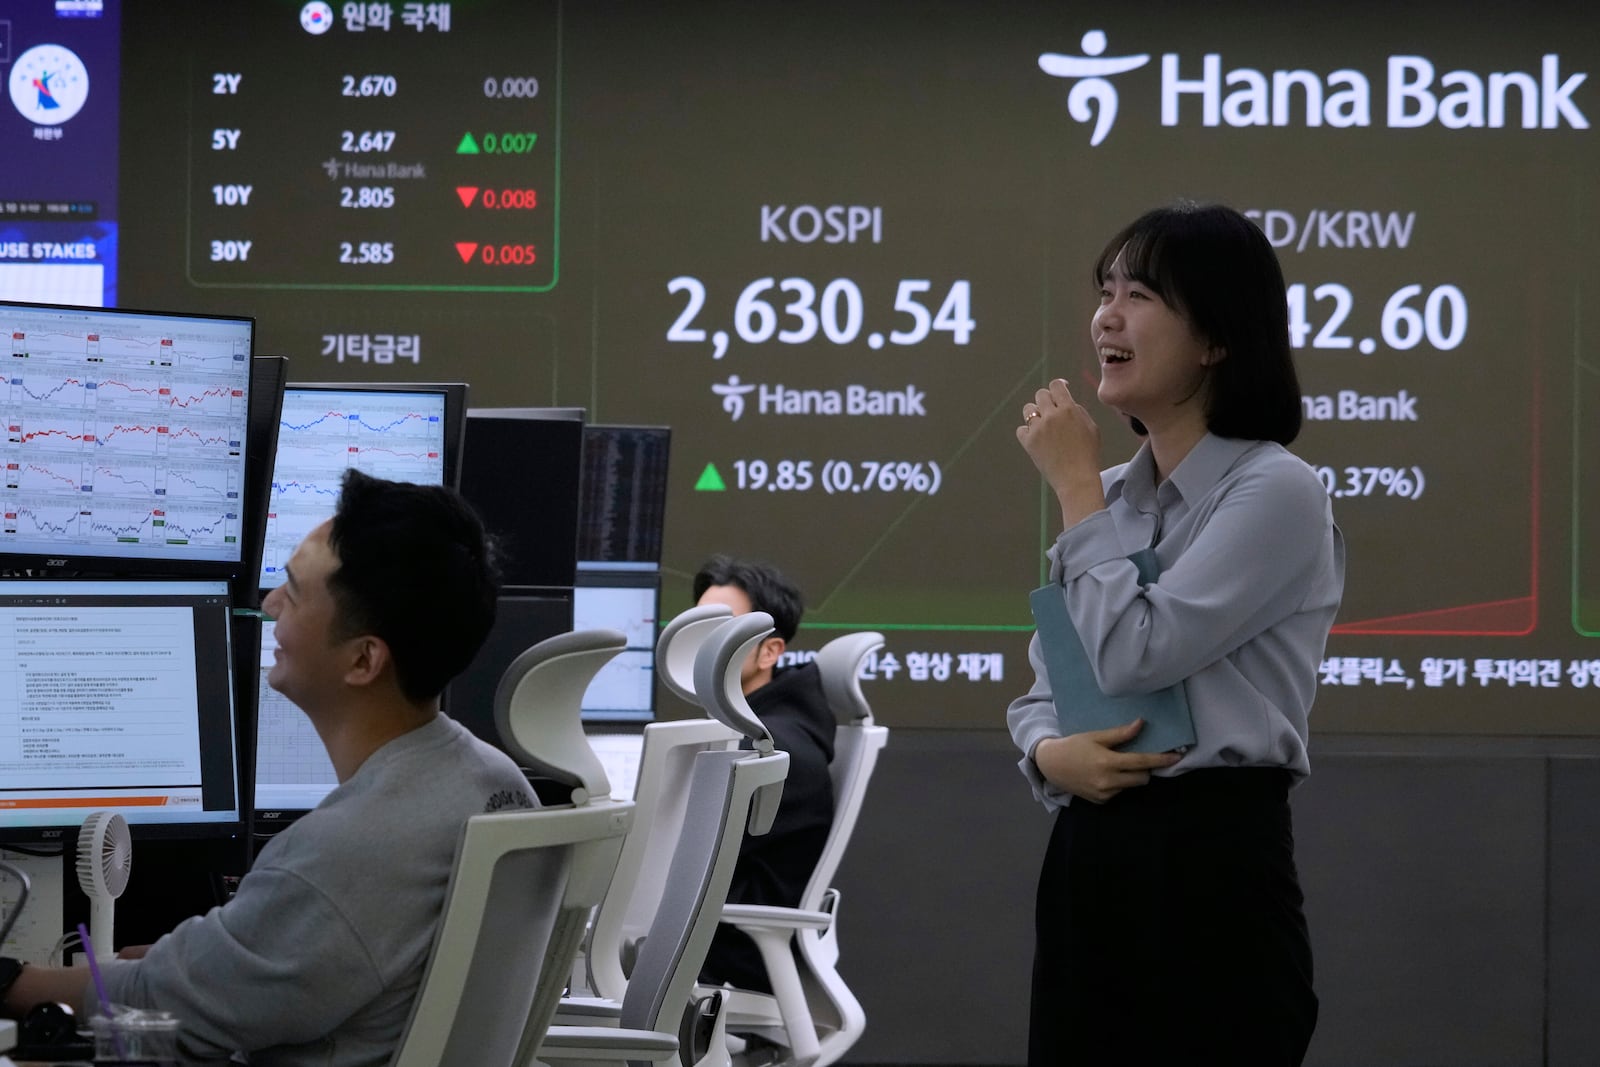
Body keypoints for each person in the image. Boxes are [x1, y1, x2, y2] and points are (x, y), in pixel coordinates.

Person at [0, 470, 535, 1067]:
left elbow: (168, 1006)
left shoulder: (346, 849)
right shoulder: (494, 782)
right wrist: (210, 956)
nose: (269, 604)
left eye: (292, 591)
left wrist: (12, 983)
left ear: (363, 659)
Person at [1008, 202, 1345, 1066]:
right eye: (1105, 291)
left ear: (1216, 339)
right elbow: (1052, 680)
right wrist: (1048, 753)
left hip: (1213, 862)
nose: (1108, 316)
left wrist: (1078, 490)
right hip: (1091, 849)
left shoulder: (1276, 489)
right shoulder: (1114, 497)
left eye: (1143, 294)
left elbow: (1137, 652)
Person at [692, 554, 835, 993]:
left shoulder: (773, 747)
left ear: (770, 650)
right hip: (708, 938)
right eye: (697, 627)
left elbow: (692, 853)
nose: (703, 643)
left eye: (723, 627)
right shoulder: (750, 730)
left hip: (728, 956)